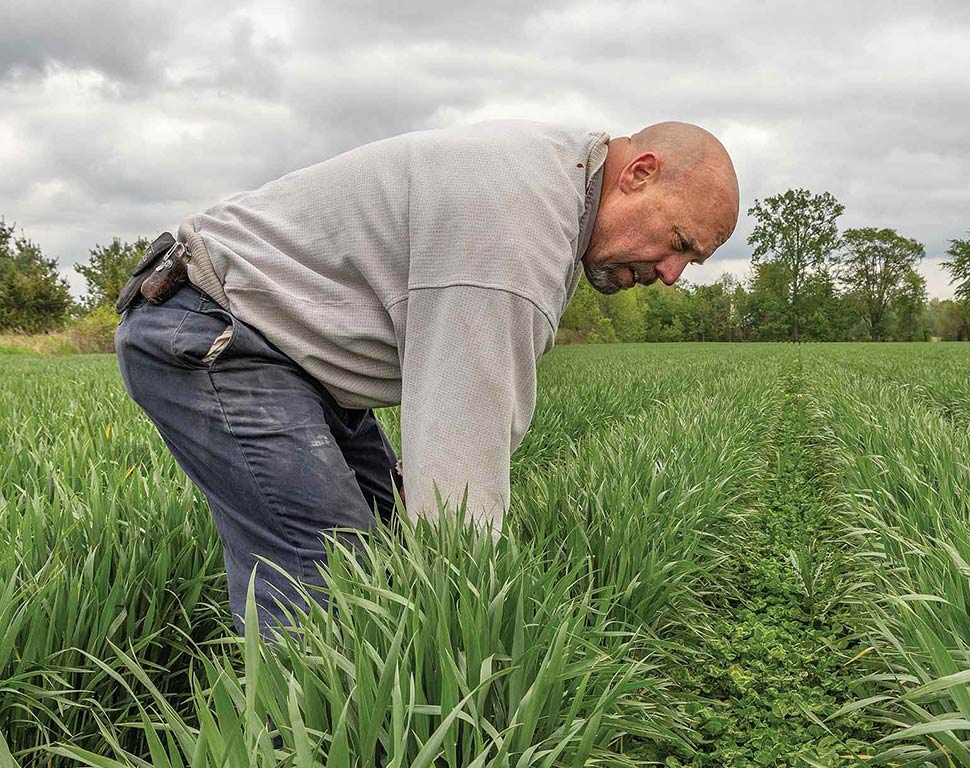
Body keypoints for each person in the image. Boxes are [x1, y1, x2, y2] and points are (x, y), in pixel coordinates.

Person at [115, 119, 739, 635]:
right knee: (328, 572)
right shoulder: (517, 224)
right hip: (216, 330)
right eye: (677, 241)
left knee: (390, 547)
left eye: (692, 259)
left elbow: (460, 427)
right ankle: (302, 737)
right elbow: (459, 472)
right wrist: (477, 635)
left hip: (291, 354)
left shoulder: (559, 191)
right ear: (639, 173)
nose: (672, 272)